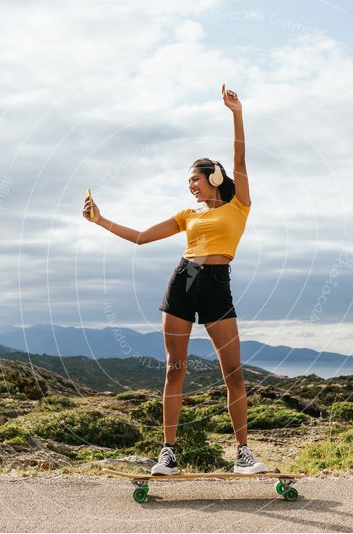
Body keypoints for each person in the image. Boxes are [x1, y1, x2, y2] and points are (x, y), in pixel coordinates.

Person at [82, 84, 269, 476]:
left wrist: (236, 112)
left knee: (233, 372)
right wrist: (100, 220)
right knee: (175, 368)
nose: (191, 185)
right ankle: (168, 452)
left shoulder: (239, 205)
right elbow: (140, 238)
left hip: (217, 284)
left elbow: (241, 159)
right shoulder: (187, 215)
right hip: (183, 281)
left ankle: (243, 453)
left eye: (196, 179)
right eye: (189, 181)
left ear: (214, 178)